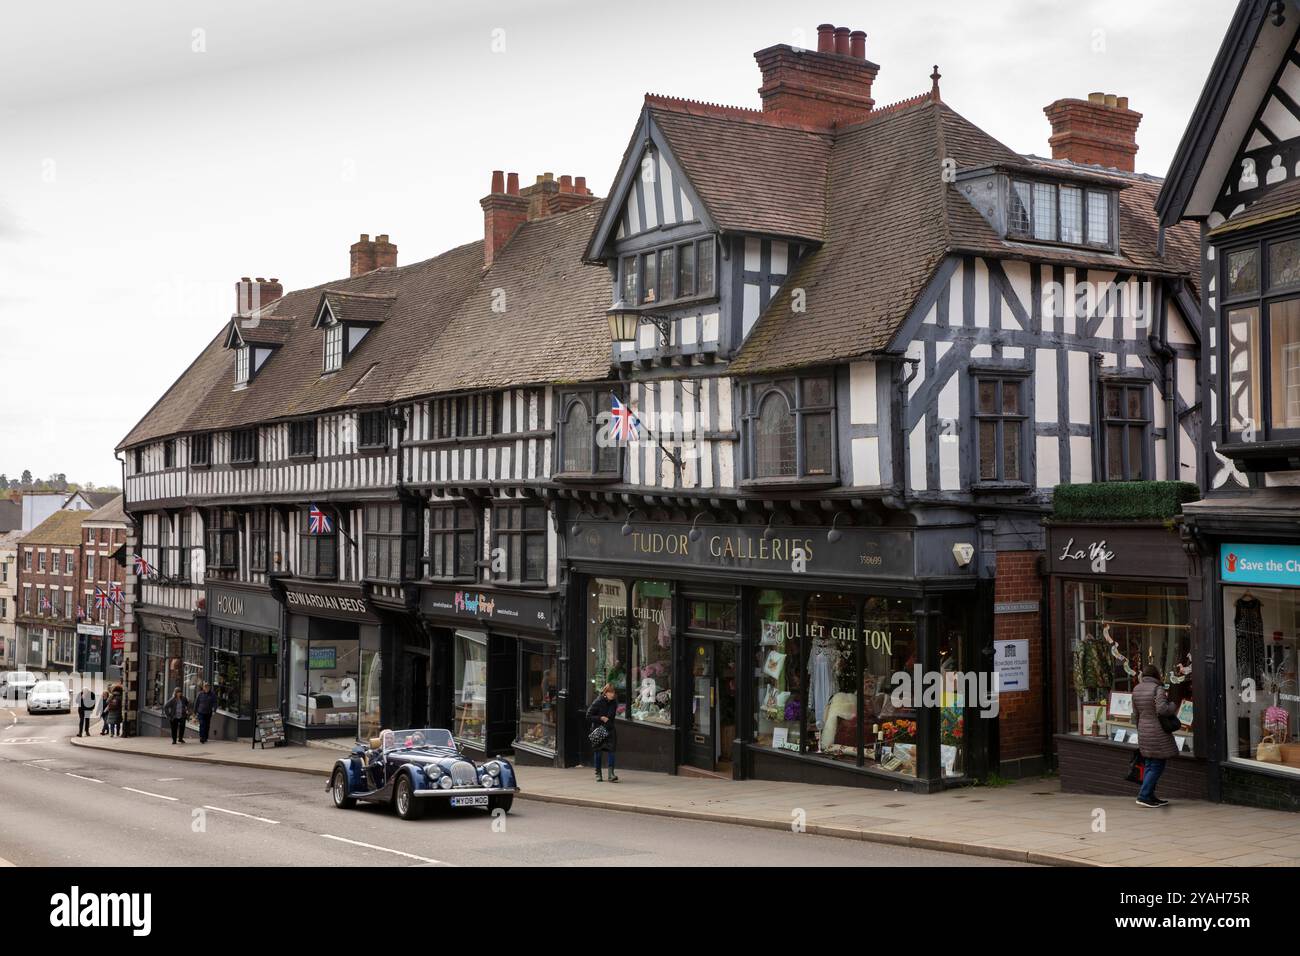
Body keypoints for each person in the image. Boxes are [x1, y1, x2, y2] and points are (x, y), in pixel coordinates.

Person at [1133, 664, 1178, 808]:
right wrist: (1173, 706)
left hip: (1143, 730)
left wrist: (1140, 729)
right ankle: (1144, 795)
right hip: (1157, 731)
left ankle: (1150, 796)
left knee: (1149, 764)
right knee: (1157, 764)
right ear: (1156, 675)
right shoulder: (1157, 689)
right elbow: (1162, 709)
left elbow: (1136, 714)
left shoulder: (1136, 689)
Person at [586, 683, 619, 783]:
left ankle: (611, 774)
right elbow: (588, 716)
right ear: (605, 693)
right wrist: (600, 718)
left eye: (613, 692)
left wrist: (607, 719)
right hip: (599, 729)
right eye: (610, 692)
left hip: (610, 729)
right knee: (598, 752)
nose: (612, 694)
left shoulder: (614, 702)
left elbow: (611, 716)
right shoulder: (598, 701)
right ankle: (598, 773)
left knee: (611, 751)